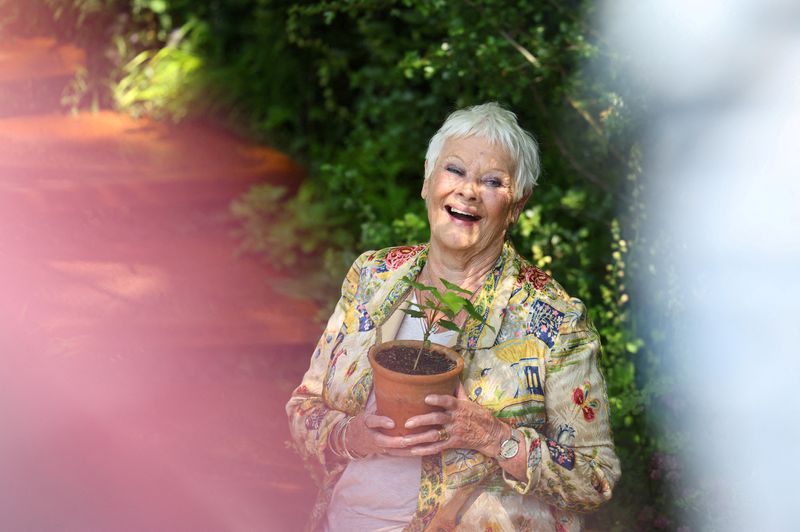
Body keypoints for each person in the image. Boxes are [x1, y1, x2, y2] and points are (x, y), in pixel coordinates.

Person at [286, 102, 620, 531]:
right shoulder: (373, 277)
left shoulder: (553, 318)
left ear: (516, 204)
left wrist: (495, 438)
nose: (468, 190)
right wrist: (352, 435)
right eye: (455, 170)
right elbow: (304, 407)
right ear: (427, 182)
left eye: (493, 181)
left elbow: (595, 478)